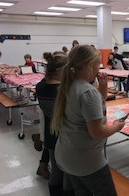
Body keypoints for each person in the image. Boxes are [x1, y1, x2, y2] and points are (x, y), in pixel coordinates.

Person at [51, 45, 124, 196]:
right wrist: (116, 127)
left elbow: (91, 110)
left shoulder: (70, 84)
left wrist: (102, 87)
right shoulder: (87, 92)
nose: (100, 68)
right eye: (98, 64)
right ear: (90, 65)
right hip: (86, 161)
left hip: (68, 155)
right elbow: (97, 132)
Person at [36, 52, 74, 195]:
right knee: (68, 171)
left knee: (56, 171)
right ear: (62, 71)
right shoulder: (63, 91)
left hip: (50, 134)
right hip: (65, 136)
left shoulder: (41, 86)